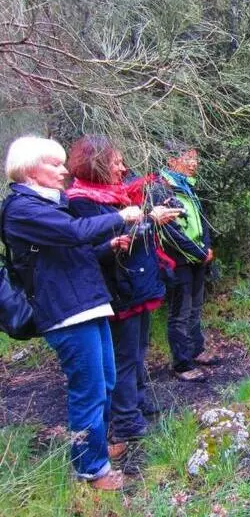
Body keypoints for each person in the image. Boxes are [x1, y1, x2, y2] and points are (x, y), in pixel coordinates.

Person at [2, 136, 145, 490]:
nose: (64, 170)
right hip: (65, 313)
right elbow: (72, 233)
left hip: (88, 304)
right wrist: (119, 218)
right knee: (89, 390)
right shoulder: (22, 209)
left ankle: (97, 448)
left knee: (106, 382)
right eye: (54, 164)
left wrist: (107, 247)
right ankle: (92, 470)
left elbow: (71, 255)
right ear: (30, 170)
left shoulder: (50, 203)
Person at [66, 135, 182, 449]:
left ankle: (138, 403)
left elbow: (130, 231)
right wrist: (148, 219)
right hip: (117, 285)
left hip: (138, 281)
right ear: (98, 165)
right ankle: (126, 420)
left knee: (138, 349)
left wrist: (149, 219)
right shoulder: (80, 200)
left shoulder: (119, 192)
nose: (122, 167)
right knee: (125, 355)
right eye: (116, 162)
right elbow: (98, 243)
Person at [153, 140, 215, 381]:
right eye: (188, 158)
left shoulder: (187, 186)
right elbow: (170, 233)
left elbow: (201, 221)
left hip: (198, 256)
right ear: (172, 161)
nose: (194, 163)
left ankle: (196, 349)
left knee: (196, 306)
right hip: (178, 260)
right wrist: (199, 253)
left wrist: (206, 247)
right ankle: (181, 364)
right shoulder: (162, 189)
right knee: (180, 311)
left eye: (195, 158)